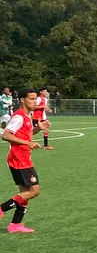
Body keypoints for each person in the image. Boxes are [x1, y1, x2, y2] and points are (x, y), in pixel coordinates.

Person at [0, 88, 43, 233]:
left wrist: (38, 128)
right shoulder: (19, 116)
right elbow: (6, 135)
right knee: (34, 190)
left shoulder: (26, 116)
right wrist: (27, 143)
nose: (35, 101)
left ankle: (15, 224)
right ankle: (1, 209)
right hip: (19, 159)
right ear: (22, 100)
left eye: (35, 98)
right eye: (31, 98)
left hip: (23, 158)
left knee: (24, 192)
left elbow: (26, 134)